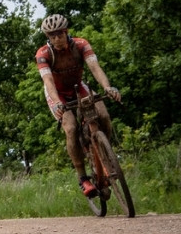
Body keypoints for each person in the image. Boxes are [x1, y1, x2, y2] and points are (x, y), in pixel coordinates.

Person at [34, 13, 120, 198]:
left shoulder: (81, 45)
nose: (56, 39)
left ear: (66, 32)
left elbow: (95, 68)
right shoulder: (43, 54)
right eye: (52, 36)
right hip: (57, 94)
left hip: (78, 87)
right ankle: (83, 177)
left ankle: (107, 153)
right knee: (71, 128)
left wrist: (108, 87)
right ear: (48, 38)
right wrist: (57, 103)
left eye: (59, 34)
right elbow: (48, 81)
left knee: (103, 115)